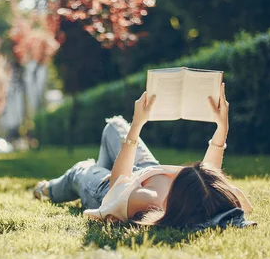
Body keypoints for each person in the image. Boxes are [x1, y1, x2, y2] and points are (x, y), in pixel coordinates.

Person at [33, 82, 252, 227]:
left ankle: (45, 189)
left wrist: (138, 123)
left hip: (107, 189)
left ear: (180, 192)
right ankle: (102, 167)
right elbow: (210, 172)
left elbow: (118, 182)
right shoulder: (206, 195)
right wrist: (221, 126)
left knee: (80, 171)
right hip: (148, 169)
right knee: (115, 126)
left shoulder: (149, 200)